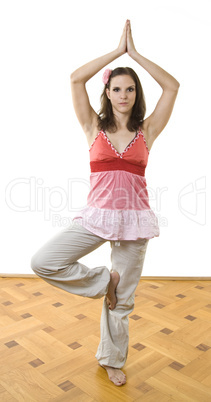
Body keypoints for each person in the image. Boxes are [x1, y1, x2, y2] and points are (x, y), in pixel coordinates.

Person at [31, 20, 179, 386]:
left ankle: (112, 359)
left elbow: (173, 86)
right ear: (109, 92)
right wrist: (117, 52)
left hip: (135, 221)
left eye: (130, 89)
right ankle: (101, 281)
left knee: (123, 301)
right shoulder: (92, 126)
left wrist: (137, 55)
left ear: (135, 93)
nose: (124, 95)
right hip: (96, 217)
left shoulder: (148, 130)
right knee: (44, 261)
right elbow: (75, 79)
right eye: (117, 88)